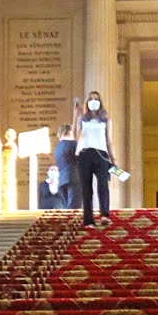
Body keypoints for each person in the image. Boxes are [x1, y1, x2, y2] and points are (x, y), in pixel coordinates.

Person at [75, 94, 115, 227]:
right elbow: (76, 136)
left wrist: (113, 159)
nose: (94, 101)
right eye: (91, 99)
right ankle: (88, 220)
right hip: (85, 153)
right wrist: (76, 115)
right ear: (87, 102)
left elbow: (109, 140)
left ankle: (104, 214)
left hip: (102, 155)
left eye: (96, 99)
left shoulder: (105, 119)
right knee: (86, 188)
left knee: (103, 185)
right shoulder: (83, 118)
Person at [51, 124, 79, 213]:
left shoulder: (57, 147)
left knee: (67, 209)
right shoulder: (74, 144)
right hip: (74, 178)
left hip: (62, 180)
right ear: (70, 132)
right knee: (74, 209)